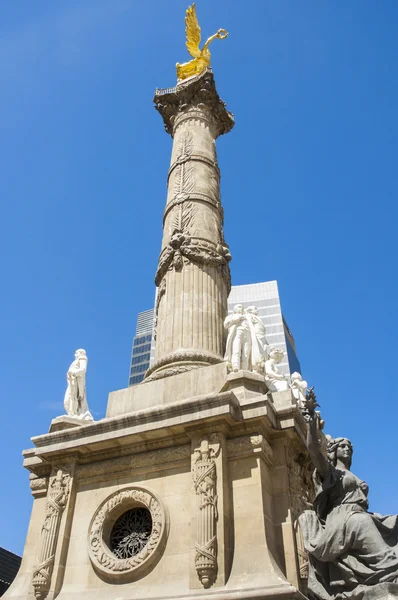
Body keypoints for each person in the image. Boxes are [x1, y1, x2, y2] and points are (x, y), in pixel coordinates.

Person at [298, 405, 398, 600]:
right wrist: (310, 425)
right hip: (345, 519)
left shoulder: (351, 474)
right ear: (334, 451)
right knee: (364, 525)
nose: (348, 448)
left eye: (349, 446)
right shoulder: (332, 473)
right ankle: (389, 568)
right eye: (343, 446)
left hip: (361, 515)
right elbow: (314, 451)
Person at [63, 349, 93, 421]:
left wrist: (74, 373)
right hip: (71, 382)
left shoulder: (82, 358)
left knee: (72, 400)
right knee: (67, 402)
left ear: (81, 353)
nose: (75, 355)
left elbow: (83, 369)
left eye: (76, 353)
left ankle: (74, 415)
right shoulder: (76, 361)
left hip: (76, 382)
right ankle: (73, 414)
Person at [224, 304, 251, 372]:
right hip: (237, 332)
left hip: (247, 334)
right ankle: (235, 366)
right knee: (236, 350)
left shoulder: (247, 317)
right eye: (239, 307)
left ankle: (245, 368)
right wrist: (235, 319)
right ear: (234, 309)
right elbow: (226, 325)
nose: (241, 308)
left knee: (246, 352)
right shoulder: (230, 316)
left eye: (242, 307)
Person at [246, 306, 268, 373]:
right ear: (250, 311)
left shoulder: (256, 317)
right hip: (257, 335)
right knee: (258, 349)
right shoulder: (249, 316)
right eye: (255, 309)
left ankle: (261, 366)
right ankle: (257, 366)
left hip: (261, 336)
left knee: (263, 350)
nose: (257, 310)